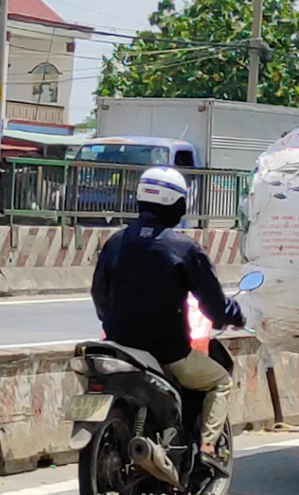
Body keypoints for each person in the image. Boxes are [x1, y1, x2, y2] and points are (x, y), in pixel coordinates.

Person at [91, 166, 244, 464]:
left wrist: (115, 322)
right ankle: (209, 449)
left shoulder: (115, 243)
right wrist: (233, 316)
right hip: (168, 352)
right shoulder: (184, 248)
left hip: (118, 347)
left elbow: (100, 296)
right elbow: (213, 304)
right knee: (220, 380)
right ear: (177, 204)